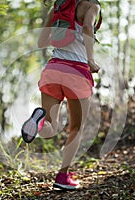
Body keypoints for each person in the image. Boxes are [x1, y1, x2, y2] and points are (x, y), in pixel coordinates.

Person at [21, 0, 101, 190]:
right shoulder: (92, 6)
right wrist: (90, 60)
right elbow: (88, 27)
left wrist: (63, 37)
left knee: (50, 127)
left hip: (53, 69)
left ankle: (38, 121)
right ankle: (62, 176)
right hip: (77, 73)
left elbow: (41, 42)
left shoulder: (56, 6)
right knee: (76, 128)